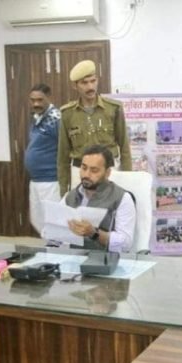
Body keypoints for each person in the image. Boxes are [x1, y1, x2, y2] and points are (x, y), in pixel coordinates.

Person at [57, 60, 131, 195]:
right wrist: (63, 189)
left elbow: (124, 147)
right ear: (75, 86)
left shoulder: (113, 108)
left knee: (110, 206)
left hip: (109, 171)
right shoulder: (68, 114)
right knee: (81, 207)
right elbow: (63, 156)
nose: (90, 87)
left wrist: (127, 179)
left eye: (93, 81)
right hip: (80, 172)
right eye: (84, 83)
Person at [61, 144, 135, 252]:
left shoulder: (123, 198)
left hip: (105, 259)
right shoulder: (70, 196)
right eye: (84, 168)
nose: (86, 174)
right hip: (72, 257)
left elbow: (126, 243)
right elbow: (55, 232)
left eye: (94, 170)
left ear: (107, 173)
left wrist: (94, 233)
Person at [24, 83, 62, 235]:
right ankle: (48, 245)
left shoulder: (56, 118)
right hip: (35, 180)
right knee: (37, 219)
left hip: (51, 181)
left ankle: (56, 248)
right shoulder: (36, 117)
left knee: (54, 221)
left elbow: (65, 148)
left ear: (49, 98)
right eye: (32, 100)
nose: (36, 104)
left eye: (40, 100)